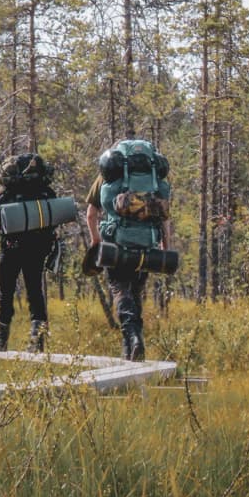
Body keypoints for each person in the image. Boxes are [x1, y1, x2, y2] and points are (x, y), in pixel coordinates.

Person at [85, 139, 173, 361]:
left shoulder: (107, 177)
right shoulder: (153, 181)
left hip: (116, 244)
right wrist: (165, 247)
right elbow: (163, 218)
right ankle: (132, 350)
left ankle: (133, 336)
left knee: (120, 291)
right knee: (135, 292)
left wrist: (96, 241)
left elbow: (91, 214)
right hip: (146, 244)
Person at [0, 153, 58, 352]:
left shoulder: (3, 192)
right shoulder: (46, 192)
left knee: (5, 293)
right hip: (37, 249)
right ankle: (38, 340)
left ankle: (1, 338)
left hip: (11, 248)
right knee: (35, 292)